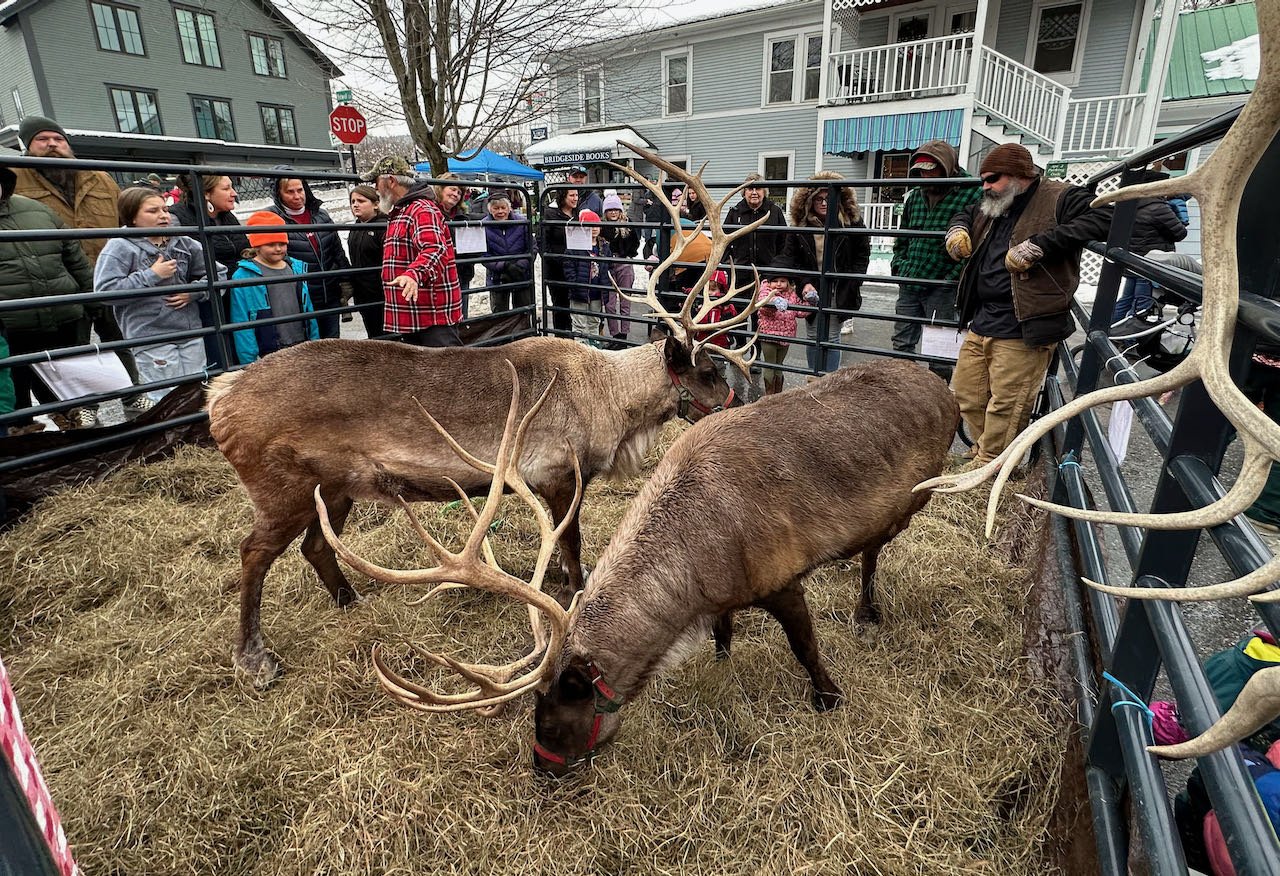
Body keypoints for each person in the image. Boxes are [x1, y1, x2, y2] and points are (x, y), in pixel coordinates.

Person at [943, 143, 1113, 464]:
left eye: (992, 178)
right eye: (983, 179)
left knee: (1008, 403)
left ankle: (991, 465)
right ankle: (985, 453)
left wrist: (1040, 245)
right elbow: (966, 212)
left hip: (1025, 323)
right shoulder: (997, 201)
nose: (985, 186)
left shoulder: (1060, 197)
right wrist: (958, 229)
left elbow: (1106, 216)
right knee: (968, 394)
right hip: (983, 318)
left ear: (1021, 175)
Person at [13, 115, 144, 423]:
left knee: (119, 338)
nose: (52, 145)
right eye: (42, 140)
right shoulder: (14, 177)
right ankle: (82, 408)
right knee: (72, 349)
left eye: (58, 139)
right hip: (59, 282)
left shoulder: (97, 175)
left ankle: (133, 394)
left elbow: (123, 219)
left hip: (107, 273)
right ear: (27, 146)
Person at [94, 187, 219, 403]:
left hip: (189, 332)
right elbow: (105, 291)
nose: (163, 215)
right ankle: (171, 435)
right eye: (152, 211)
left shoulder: (181, 241)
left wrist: (193, 293)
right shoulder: (119, 247)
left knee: (197, 391)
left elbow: (218, 273)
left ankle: (194, 434)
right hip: (152, 337)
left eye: (165, 209)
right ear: (132, 216)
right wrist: (151, 276)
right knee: (167, 396)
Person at [0, 153, 91, 433]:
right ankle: (24, 439)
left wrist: (88, 297)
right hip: (11, 324)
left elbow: (73, 255)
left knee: (61, 375)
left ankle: (70, 427)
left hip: (60, 313)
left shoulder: (35, 210)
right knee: (16, 384)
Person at [890, 140, 982, 383]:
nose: (925, 174)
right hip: (911, 280)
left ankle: (938, 397)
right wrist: (899, 265)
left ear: (947, 166)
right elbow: (903, 236)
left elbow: (979, 242)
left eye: (932, 168)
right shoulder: (915, 197)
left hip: (944, 285)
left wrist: (953, 277)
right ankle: (901, 393)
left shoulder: (973, 192)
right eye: (921, 170)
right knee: (902, 342)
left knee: (939, 348)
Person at [364, 155, 462, 347]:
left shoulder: (421, 209)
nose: (375, 188)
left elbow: (435, 248)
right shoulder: (403, 211)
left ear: (391, 181)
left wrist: (414, 274)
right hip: (416, 312)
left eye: (376, 182)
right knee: (426, 373)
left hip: (432, 315)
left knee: (447, 371)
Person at [784, 171, 871, 374]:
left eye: (829, 198)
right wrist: (803, 282)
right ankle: (814, 379)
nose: (824, 203)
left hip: (838, 288)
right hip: (812, 288)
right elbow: (791, 258)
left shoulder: (851, 224)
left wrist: (853, 281)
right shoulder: (801, 226)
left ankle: (828, 382)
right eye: (819, 199)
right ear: (809, 201)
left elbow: (862, 253)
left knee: (831, 336)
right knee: (813, 335)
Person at [170, 174, 246, 368]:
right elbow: (177, 266)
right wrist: (196, 290)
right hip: (206, 304)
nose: (234, 193)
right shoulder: (177, 218)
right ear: (206, 194)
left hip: (236, 296)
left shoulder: (227, 216)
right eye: (226, 188)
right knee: (219, 359)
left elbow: (243, 249)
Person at [267, 170, 352, 339]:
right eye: (290, 192)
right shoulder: (273, 219)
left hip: (330, 294)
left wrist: (346, 278)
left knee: (332, 345)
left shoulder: (321, 215)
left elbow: (336, 249)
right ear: (278, 194)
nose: (297, 196)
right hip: (301, 299)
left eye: (300, 190)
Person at [229, 211, 318, 364]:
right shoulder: (243, 276)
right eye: (270, 244)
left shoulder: (296, 268)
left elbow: (308, 309)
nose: (278, 249)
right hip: (268, 351)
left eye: (282, 243)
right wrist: (248, 361)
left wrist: (315, 342)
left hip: (301, 343)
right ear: (256, 245)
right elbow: (241, 321)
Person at [1110, 169, 1188, 322]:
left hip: (1131, 260)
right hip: (1151, 262)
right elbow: (1179, 233)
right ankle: (1131, 342)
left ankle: (1110, 332)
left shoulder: (1128, 205)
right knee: (1144, 305)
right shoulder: (1158, 207)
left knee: (1126, 301)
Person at [432, 172, 479, 317]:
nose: (456, 194)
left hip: (461, 273)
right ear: (440, 189)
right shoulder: (430, 212)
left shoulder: (463, 216)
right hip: (438, 276)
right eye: (452, 189)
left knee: (460, 315)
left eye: (459, 192)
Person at [345, 184, 387, 339]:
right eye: (353, 201)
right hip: (363, 294)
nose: (355, 204)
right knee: (373, 335)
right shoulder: (356, 228)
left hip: (381, 295)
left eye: (361, 201)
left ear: (376, 204)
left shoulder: (383, 227)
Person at [563, 209, 610, 344]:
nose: (594, 229)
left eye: (596, 225)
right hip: (580, 292)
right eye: (589, 226)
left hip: (597, 293)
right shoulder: (575, 247)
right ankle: (580, 350)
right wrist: (575, 284)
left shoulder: (604, 247)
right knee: (579, 323)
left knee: (594, 321)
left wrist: (606, 285)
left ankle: (593, 347)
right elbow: (568, 266)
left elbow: (608, 267)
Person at [754, 259, 801, 395]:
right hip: (769, 336)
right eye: (775, 281)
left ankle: (778, 395)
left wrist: (810, 302)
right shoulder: (765, 292)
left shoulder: (792, 294)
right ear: (769, 282)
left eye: (782, 281)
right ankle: (769, 396)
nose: (779, 284)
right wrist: (774, 302)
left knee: (779, 366)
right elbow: (763, 305)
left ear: (788, 282)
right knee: (770, 365)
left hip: (786, 337)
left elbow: (800, 312)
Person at [482, 194, 533, 315]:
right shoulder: (483, 225)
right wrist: (504, 265)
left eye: (503, 208)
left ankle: (524, 333)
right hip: (497, 277)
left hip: (521, 274)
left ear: (509, 208)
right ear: (490, 209)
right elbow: (483, 254)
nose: (500, 211)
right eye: (496, 208)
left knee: (523, 313)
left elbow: (532, 247)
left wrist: (521, 265)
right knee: (500, 314)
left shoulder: (522, 222)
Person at [725, 173, 788, 271]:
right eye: (750, 189)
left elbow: (784, 242)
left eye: (758, 188)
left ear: (764, 191)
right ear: (744, 192)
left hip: (768, 271)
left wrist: (778, 265)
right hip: (740, 271)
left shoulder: (775, 211)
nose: (754, 192)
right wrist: (729, 263)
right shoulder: (735, 212)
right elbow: (724, 240)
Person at [599, 193, 638, 347]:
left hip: (624, 263)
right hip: (608, 265)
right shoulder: (602, 227)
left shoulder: (628, 224)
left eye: (616, 209)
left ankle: (623, 336)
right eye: (610, 210)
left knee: (625, 301)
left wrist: (628, 255)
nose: (613, 212)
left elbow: (635, 242)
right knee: (609, 302)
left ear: (620, 210)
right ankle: (615, 335)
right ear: (605, 212)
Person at [539, 187, 579, 333]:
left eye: (576, 195)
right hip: (556, 269)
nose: (575, 198)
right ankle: (562, 338)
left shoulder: (579, 214)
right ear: (563, 196)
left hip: (576, 267)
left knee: (577, 304)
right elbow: (542, 241)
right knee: (560, 305)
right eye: (571, 195)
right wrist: (554, 258)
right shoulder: (550, 215)